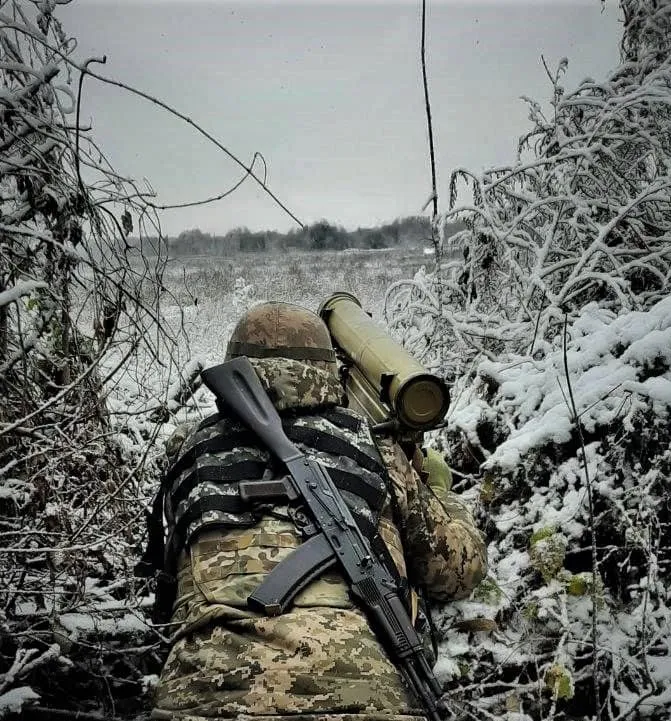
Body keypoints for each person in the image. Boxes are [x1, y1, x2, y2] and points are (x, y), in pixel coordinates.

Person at [150, 301, 487, 721]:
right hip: (363, 693)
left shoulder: (187, 449)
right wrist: (438, 488)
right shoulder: (374, 449)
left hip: (200, 695)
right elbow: (455, 572)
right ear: (327, 371)